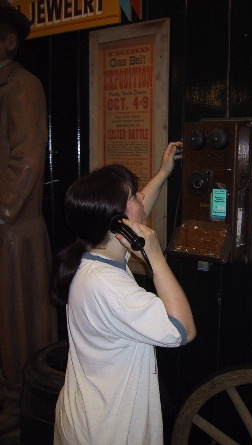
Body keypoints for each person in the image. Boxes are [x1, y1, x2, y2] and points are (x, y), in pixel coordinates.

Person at [51, 142, 196, 445]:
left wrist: (164, 172)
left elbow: (140, 210)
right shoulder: (110, 287)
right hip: (109, 429)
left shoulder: (95, 255)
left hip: (90, 415)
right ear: (118, 223)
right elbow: (181, 330)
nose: (143, 196)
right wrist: (155, 256)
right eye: (134, 194)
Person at [0, 0, 57, 435]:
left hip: (12, 233)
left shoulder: (22, 86)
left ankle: (19, 415)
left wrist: (3, 210)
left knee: (16, 330)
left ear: (9, 41)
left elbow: (26, 158)